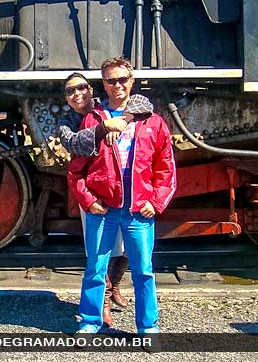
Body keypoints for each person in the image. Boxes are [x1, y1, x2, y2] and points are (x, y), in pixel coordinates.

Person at [68, 56, 176, 337]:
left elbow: (165, 168)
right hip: (103, 208)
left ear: (132, 81)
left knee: (144, 271)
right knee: (95, 267)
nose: (117, 85)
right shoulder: (93, 120)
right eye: (110, 80)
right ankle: (90, 321)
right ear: (102, 84)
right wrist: (88, 200)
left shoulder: (153, 121)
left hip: (139, 209)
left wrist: (157, 201)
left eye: (122, 79)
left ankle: (147, 327)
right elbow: (76, 169)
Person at [56, 72, 154, 327]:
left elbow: (142, 102)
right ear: (65, 98)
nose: (77, 94)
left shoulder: (106, 106)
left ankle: (115, 287)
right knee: (97, 255)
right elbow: (74, 144)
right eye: (70, 91)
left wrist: (122, 119)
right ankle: (102, 305)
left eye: (81, 88)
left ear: (91, 89)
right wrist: (104, 129)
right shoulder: (67, 121)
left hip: (124, 193)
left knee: (124, 250)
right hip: (92, 191)